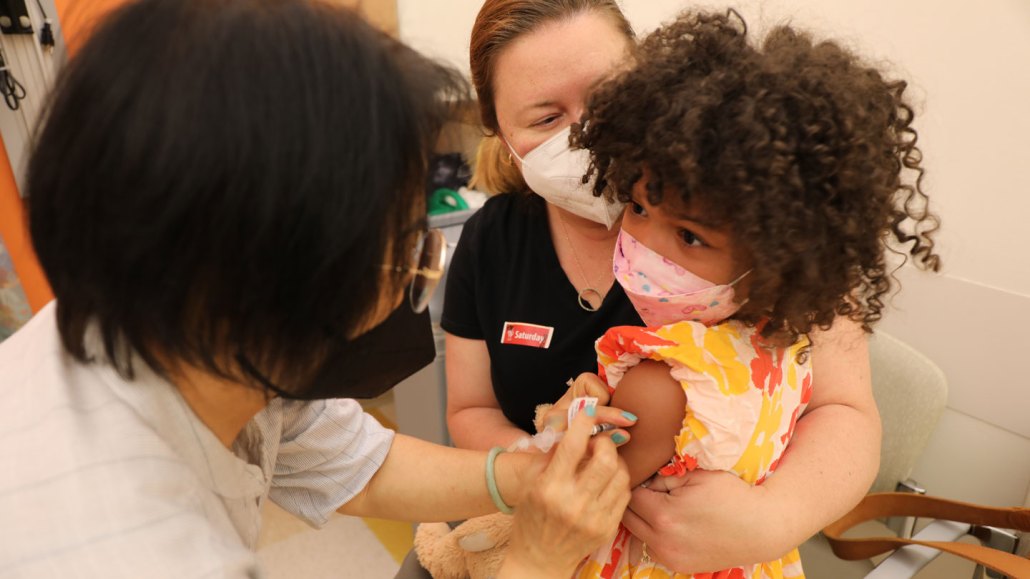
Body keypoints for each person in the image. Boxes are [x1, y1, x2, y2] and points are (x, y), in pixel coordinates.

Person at [0, 1, 633, 577]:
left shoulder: (202, 342)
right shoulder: (133, 551)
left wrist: (524, 474)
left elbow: (362, 466)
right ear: (295, 278)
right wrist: (536, 558)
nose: (416, 267)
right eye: (404, 246)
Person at [443, 0, 886, 572]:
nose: (585, 135)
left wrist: (775, 517)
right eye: (545, 119)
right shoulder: (491, 242)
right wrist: (541, 468)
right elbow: (470, 409)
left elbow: (846, 410)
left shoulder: (763, 224)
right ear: (501, 134)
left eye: (605, 95)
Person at [566, 9, 941, 577]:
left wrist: (571, 427)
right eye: (637, 207)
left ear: (775, 259)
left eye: (689, 236)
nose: (642, 242)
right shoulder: (776, 346)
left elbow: (579, 494)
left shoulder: (666, 376)